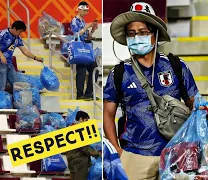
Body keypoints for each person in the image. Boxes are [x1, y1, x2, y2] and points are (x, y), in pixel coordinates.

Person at [103, 2, 198, 180]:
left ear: (154, 34)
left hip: (175, 154)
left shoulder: (176, 66)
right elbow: (108, 114)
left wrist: (191, 144)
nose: (137, 37)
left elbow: (196, 106)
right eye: (131, 34)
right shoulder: (120, 73)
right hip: (134, 156)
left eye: (143, 32)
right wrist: (117, 151)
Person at [0, 20, 44, 91]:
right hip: (0, 62)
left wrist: (35, 58)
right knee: (2, 85)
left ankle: (17, 99)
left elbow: (25, 51)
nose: (20, 34)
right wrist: (1, 56)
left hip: (9, 63)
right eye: (19, 31)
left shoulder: (17, 38)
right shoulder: (3, 33)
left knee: (15, 83)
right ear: (15, 28)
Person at [70, 1, 98, 100]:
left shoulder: (83, 22)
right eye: (85, 10)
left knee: (95, 69)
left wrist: (92, 30)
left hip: (86, 48)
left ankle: (88, 93)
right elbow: (75, 35)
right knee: (81, 71)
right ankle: (80, 94)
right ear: (79, 9)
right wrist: (87, 27)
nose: (86, 12)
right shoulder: (75, 21)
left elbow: (87, 37)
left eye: (87, 11)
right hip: (79, 49)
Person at [65, 110, 101, 180]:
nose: (86, 123)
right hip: (80, 164)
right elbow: (85, 149)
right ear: (81, 119)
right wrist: (98, 154)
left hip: (72, 163)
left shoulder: (69, 129)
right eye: (86, 120)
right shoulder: (79, 131)